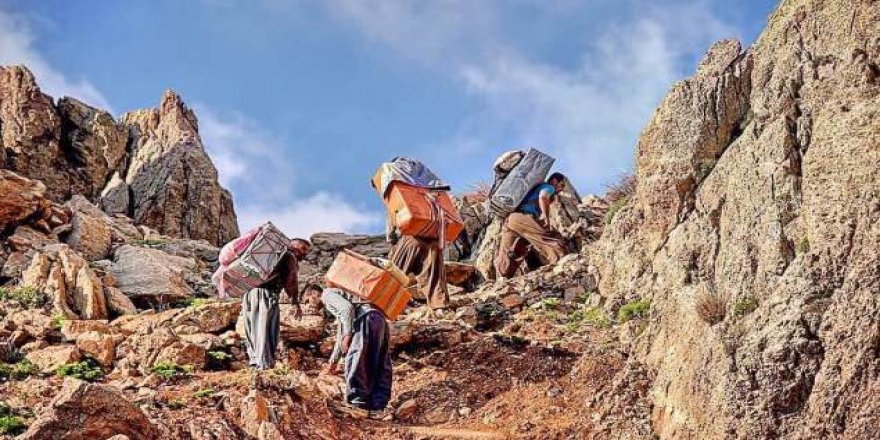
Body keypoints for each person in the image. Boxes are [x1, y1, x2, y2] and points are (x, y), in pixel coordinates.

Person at [303, 284, 392, 419]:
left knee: (356, 361)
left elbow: (347, 309)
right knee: (378, 362)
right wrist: (333, 362)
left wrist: (348, 336)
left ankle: (358, 404)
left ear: (314, 293)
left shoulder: (327, 295)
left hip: (364, 320)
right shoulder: (341, 296)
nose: (309, 305)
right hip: (378, 318)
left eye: (307, 299)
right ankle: (377, 407)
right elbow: (342, 331)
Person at [242, 238, 311, 369]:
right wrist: (295, 303)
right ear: (294, 246)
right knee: (266, 330)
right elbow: (291, 281)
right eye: (303, 249)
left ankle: (254, 361)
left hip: (249, 294)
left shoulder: (275, 254)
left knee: (252, 329)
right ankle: (264, 365)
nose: (305, 254)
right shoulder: (290, 256)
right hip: (266, 295)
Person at [494, 173, 567, 278]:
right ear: (555, 181)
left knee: (510, 252)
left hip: (510, 220)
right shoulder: (549, 187)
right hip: (522, 218)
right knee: (546, 238)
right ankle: (563, 263)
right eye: (562, 185)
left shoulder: (535, 188)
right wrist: (546, 217)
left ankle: (502, 279)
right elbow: (543, 197)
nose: (562, 189)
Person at [388, 234, 448, 310]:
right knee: (434, 277)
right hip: (433, 245)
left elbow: (391, 236)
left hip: (409, 241)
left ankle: (389, 301)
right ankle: (438, 303)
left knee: (396, 273)